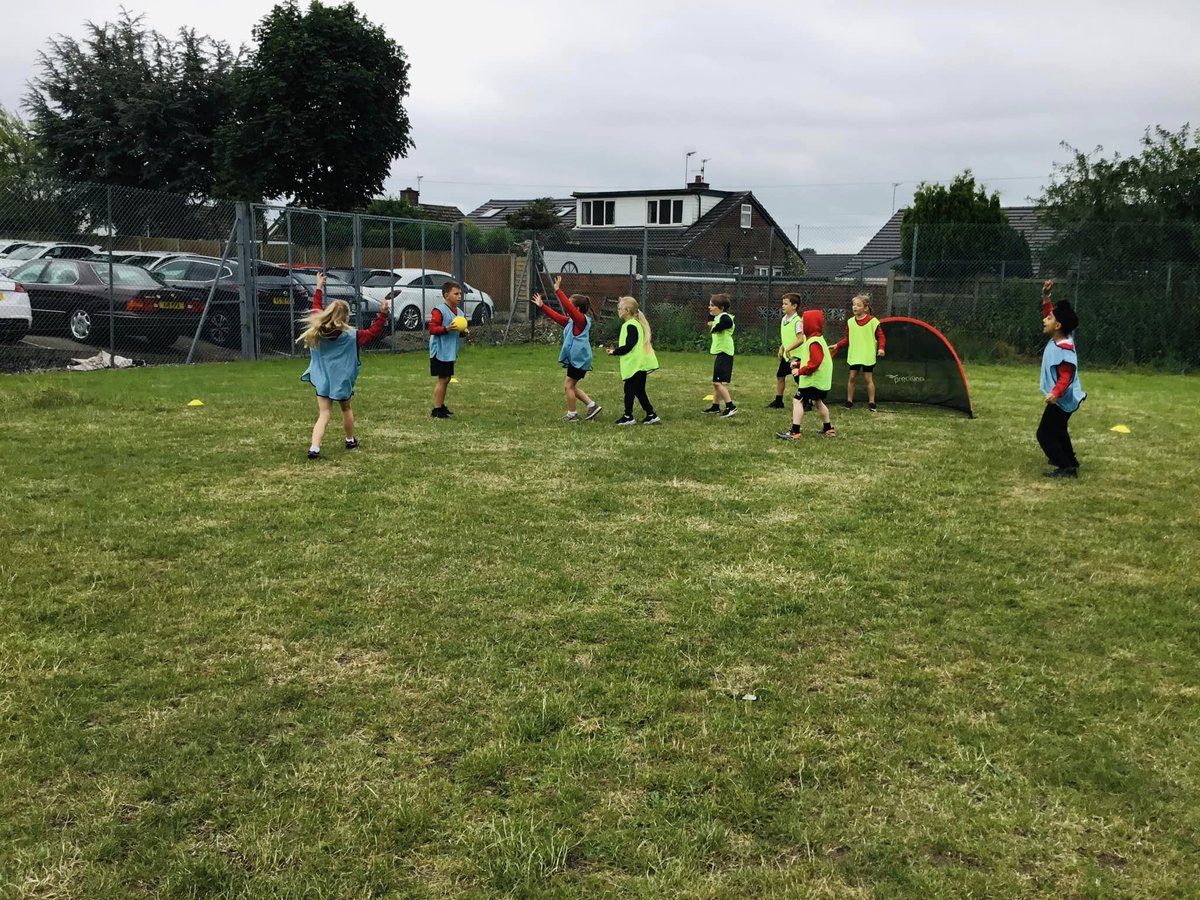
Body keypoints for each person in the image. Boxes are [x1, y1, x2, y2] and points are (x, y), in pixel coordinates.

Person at [298, 273, 390, 459]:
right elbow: (373, 332)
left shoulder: (317, 329)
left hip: (322, 380)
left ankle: (314, 448)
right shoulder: (352, 336)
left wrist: (318, 287)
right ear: (346, 317)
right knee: (346, 408)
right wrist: (383, 314)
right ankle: (350, 440)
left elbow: (315, 307)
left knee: (324, 414)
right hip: (342, 381)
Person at [531, 274, 602, 421]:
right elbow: (557, 317)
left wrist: (558, 291)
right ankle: (592, 406)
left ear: (576, 308)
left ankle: (572, 414)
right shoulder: (572, 322)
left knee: (568, 386)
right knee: (572, 386)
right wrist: (542, 306)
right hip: (578, 359)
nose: (567, 306)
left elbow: (567, 306)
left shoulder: (581, 320)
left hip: (579, 360)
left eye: (570, 304)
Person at [1037, 279, 1086, 478]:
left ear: (1057, 325)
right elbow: (1051, 315)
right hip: (1064, 398)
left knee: (1044, 434)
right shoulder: (1060, 338)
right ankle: (1070, 459)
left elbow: (1066, 377)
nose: (1044, 319)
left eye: (1048, 318)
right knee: (1059, 429)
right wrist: (1046, 297)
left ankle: (1066, 467)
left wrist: (1055, 393)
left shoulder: (1064, 350)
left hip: (1062, 398)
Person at [775, 309, 837, 441]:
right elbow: (813, 359)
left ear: (811, 324)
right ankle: (828, 429)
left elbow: (815, 362)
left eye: (804, 322)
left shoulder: (813, 342)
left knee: (797, 400)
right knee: (818, 401)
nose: (802, 324)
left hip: (813, 380)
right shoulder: (818, 339)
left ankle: (795, 432)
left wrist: (800, 371)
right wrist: (798, 363)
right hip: (821, 380)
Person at [606, 296, 661, 425]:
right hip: (639, 365)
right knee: (639, 391)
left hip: (634, 366)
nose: (618, 310)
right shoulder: (635, 324)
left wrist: (615, 351)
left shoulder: (630, 325)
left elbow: (629, 345)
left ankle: (628, 416)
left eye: (620, 308)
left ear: (627, 310)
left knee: (629, 392)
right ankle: (651, 414)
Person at [830, 292, 886, 411]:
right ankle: (849, 401)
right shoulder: (850, 322)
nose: (855, 307)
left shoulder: (873, 321)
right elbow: (848, 338)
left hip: (867, 355)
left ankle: (872, 403)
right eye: (853, 305)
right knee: (852, 377)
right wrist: (837, 345)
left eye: (858, 305)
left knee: (868, 379)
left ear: (866, 308)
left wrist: (881, 348)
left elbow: (881, 337)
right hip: (854, 355)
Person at [429, 280, 468, 419]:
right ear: (446, 295)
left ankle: (441, 405)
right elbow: (432, 329)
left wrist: (464, 332)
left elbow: (459, 331)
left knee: (447, 378)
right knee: (443, 379)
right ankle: (436, 410)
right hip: (439, 351)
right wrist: (446, 329)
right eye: (456, 294)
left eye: (460, 294)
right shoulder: (439, 311)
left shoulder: (460, 313)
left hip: (449, 352)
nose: (459, 296)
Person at [702, 293, 737, 417]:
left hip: (725, 353)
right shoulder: (718, 317)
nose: (709, 308)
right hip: (721, 353)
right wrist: (712, 322)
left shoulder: (725, 317)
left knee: (718, 383)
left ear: (721, 308)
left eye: (712, 305)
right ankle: (715, 406)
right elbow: (710, 319)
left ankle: (730, 406)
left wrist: (715, 327)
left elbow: (727, 323)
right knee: (716, 382)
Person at [768, 293, 804, 409]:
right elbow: (787, 337)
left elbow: (800, 339)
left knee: (800, 380)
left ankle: (807, 401)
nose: (782, 306)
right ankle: (778, 401)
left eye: (785, 304)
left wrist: (789, 349)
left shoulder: (798, 321)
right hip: (787, 356)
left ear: (794, 306)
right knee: (780, 376)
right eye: (782, 303)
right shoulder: (784, 319)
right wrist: (782, 347)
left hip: (796, 356)